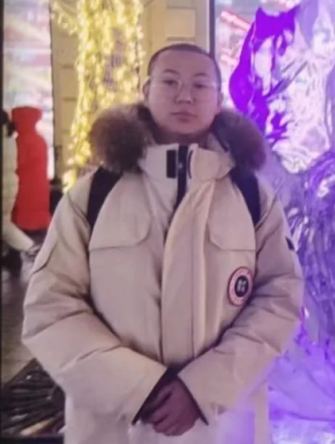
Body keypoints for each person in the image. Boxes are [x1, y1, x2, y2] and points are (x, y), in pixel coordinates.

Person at [22, 43, 304, 444]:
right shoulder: (94, 194)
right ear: (146, 90)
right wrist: (138, 388)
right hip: (116, 426)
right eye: (170, 82)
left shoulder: (251, 195)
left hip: (219, 425)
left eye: (200, 85)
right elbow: (50, 307)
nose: (184, 96)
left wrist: (202, 388)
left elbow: (281, 296)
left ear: (218, 100)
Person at [2, 109, 37, 274]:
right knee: (4, 224)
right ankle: (22, 252)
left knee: (4, 226)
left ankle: (31, 248)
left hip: (4, 185)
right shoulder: (9, 137)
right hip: (10, 184)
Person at [11, 105, 51, 237]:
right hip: (40, 188)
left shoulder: (20, 142)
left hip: (23, 189)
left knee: (25, 222)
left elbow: (16, 165)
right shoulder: (40, 140)